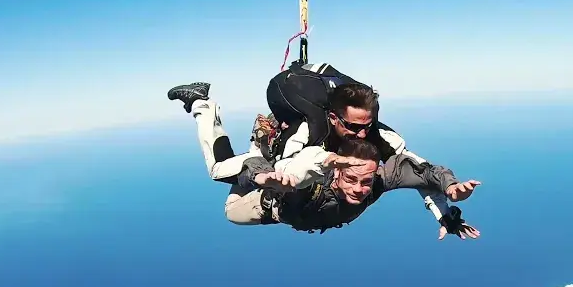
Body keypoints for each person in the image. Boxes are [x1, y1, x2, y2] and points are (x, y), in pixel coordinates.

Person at [166, 81, 480, 239]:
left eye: (367, 126)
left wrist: (447, 209)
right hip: (279, 176)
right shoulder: (309, 134)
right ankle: (203, 104)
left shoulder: (382, 150)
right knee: (223, 177)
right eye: (353, 126)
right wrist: (267, 176)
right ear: (332, 117)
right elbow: (291, 167)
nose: (361, 133)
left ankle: (261, 154)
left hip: (298, 188)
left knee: (268, 181)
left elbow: (423, 172)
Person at [232, 135, 482, 237]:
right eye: (351, 180)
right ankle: (211, 111)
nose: (359, 189)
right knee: (230, 208)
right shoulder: (312, 179)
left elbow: (424, 172)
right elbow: (256, 168)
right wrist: (261, 177)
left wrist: (449, 194)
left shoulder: (379, 179)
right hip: (266, 206)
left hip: (302, 214)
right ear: (337, 171)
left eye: (366, 181)